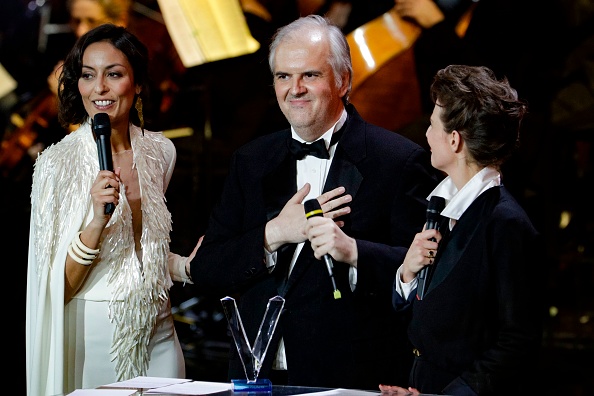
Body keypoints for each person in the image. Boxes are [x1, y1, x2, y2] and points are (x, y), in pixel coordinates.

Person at [190, 15, 440, 390]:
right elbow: (207, 269)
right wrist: (273, 234)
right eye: (283, 77)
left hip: (350, 372)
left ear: (343, 81)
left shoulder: (398, 161)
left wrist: (354, 251)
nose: (295, 89)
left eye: (310, 75)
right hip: (254, 372)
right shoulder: (250, 160)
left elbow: (425, 278)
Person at [25, 23, 200, 396]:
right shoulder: (55, 165)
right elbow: (56, 287)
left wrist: (184, 266)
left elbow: (139, 252)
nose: (99, 88)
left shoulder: (161, 151)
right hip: (92, 342)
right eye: (88, 76)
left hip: (160, 333)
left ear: (136, 84)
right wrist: (95, 222)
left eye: (114, 74)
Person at [379, 65, 543, 395]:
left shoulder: (506, 224)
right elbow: (423, 316)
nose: (425, 134)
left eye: (431, 124)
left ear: (454, 140)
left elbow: (517, 342)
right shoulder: (439, 206)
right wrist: (406, 275)